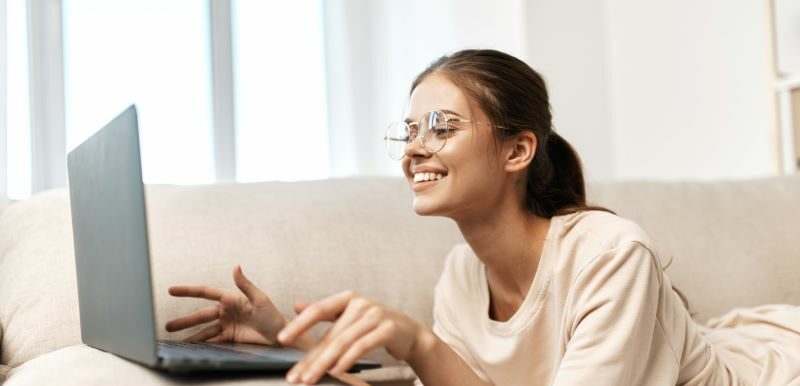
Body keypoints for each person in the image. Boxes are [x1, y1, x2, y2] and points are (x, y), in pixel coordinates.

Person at [165, 49, 800, 386]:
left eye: (441, 128)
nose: (414, 149)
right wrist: (291, 344)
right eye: (409, 131)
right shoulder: (460, 275)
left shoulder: (610, 254)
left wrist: (418, 341)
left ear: (517, 150)